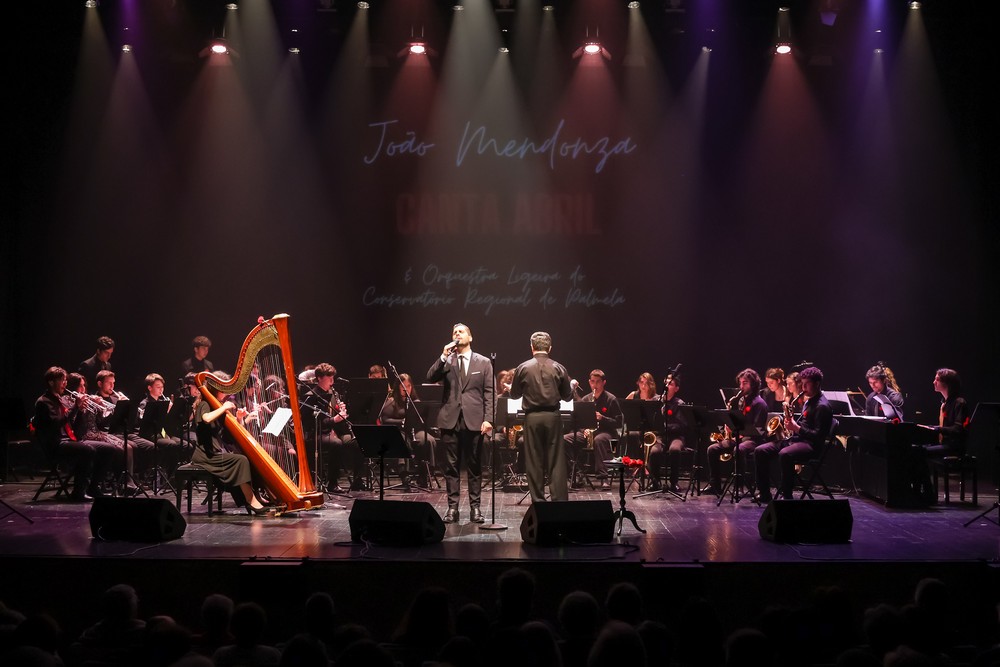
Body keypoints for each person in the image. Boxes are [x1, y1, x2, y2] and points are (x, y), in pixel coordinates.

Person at [426, 323, 494, 523]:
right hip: (450, 420)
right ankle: (452, 508)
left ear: (470, 337)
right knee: (451, 467)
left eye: (461, 331)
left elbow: (490, 392)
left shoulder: (483, 362)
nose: (457, 334)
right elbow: (430, 377)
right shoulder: (448, 361)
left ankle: (475, 508)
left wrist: (489, 419)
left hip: (474, 419)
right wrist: (442, 356)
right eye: (454, 332)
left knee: (474, 466)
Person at [31, 367, 116, 501]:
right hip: (55, 444)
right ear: (51, 382)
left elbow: (74, 425)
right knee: (88, 450)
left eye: (66, 380)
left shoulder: (59, 399)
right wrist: (76, 407)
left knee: (109, 449)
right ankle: (79, 492)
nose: (65, 383)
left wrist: (81, 410)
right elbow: (57, 423)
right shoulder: (44, 402)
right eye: (62, 380)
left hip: (69, 440)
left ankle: (93, 487)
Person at [509, 331, 574, 502]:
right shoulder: (559, 367)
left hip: (532, 418)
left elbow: (514, 395)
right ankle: (559, 502)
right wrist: (572, 387)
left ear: (532, 347)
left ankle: (538, 502)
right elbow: (567, 396)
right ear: (550, 348)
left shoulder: (523, 367)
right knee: (556, 461)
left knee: (534, 460)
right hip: (553, 417)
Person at [753, 366, 833, 502]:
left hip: (811, 445)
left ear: (817, 384)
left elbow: (818, 436)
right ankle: (764, 493)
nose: (803, 387)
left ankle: (787, 496)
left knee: (785, 454)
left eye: (807, 384)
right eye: (802, 383)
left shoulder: (822, 406)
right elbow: (805, 425)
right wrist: (791, 424)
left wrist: (797, 428)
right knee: (760, 450)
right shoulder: (809, 401)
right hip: (797, 440)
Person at [189, 378, 269, 514]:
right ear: (215, 390)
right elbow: (206, 418)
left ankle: (256, 496)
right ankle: (251, 501)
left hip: (216, 452)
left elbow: (230, 434)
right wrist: (224, 407)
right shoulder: (205, 404)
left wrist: (240, 418)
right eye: (222, 389)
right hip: (206, 455)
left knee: (248, 458)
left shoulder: (217, 406)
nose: (226, 392)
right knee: (241, 460)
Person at [704, 369, 768, 496]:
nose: (741, 386)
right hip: (739, 438)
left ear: (753, 384)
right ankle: (715, 485)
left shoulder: (760, 404)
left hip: (754, 440)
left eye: (745, 383)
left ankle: (739, 487)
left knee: (739, 450)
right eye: (740, 383)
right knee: (712, 449)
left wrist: (739, 432)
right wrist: (731, 427)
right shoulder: (741, 401)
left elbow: (758, 430)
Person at [301, 363, 362, 493]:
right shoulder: (311, 396)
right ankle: (332, 483)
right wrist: (334, 419)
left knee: (358, 442)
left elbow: (336, 418)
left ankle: (357, 481)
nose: (332, 381)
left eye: (333, 377)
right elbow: (312, 422)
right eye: (329, 378)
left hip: (335, 431)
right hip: (317, 433)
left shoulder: (333, 394)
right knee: (336, 443)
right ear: (319, 378)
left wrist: (342, 413)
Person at [564, 370, 623, 490]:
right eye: (592, 382)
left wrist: (602, 418)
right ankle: (577, 472)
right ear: (589, 382)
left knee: (599, 440)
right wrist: (584, 429)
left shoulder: (611, 399)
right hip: (589, 433)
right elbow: (579, 420)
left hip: (606, 433)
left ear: (604, 382)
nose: (595, 385)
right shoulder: (586, 399)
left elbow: (618, 422)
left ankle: (603, 478)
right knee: (565, 439)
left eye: (598, 382)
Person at [645, 371, 686, 492]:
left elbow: (682, 425)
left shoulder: (679, 404)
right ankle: (655, 481)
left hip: (676, 436)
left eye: (671, 384)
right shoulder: (656, 401)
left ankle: (674, 482)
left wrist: (666, 427)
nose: (667, 385)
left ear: (676, 389)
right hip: (660, 436)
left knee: (675, 450)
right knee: (654, 452)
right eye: (666, 383)